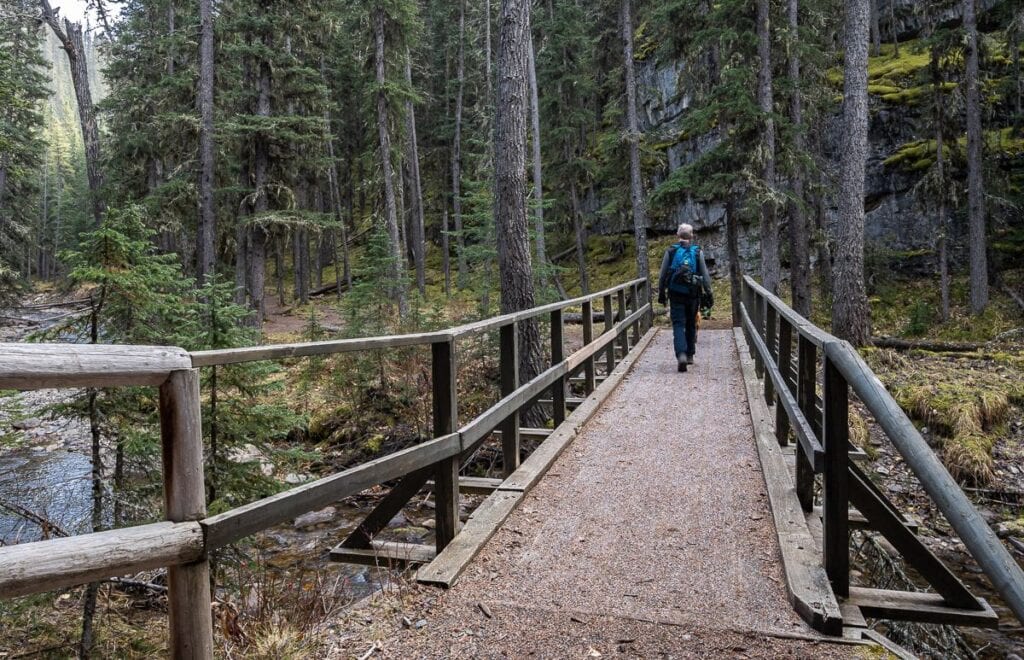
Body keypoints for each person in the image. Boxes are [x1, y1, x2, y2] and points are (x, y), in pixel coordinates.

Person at [657, 223, 713, 372]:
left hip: (675, 294)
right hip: (693, 294)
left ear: (678, 235)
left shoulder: (671, 251)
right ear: (692, 236)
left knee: (678, 324)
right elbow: (705, 275)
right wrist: (709, 292)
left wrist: (661, 292)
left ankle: (681, 354)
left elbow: (662, 275)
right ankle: (689, 355)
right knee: (690, 323)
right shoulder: (697, 252)